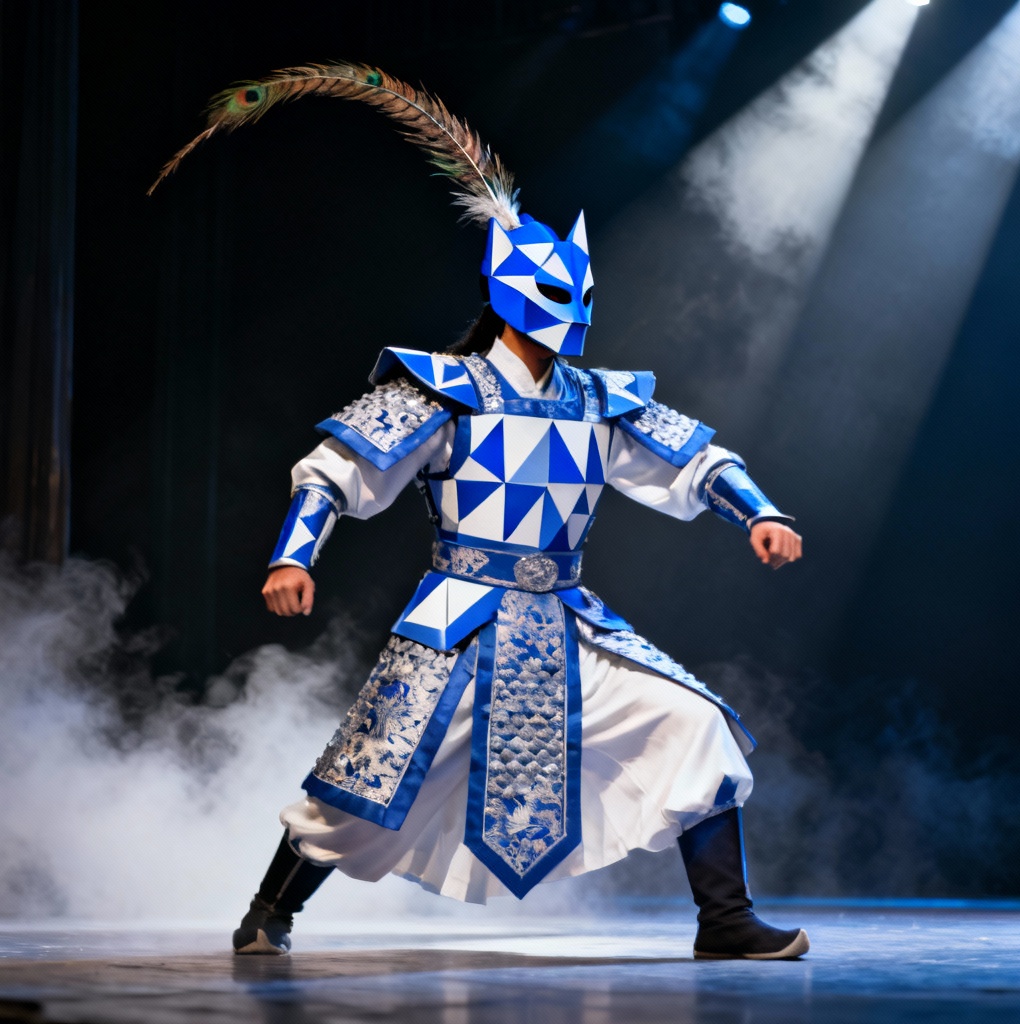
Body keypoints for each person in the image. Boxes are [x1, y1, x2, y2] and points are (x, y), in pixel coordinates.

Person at [149, 59, 807, 961]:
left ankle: (725, 922)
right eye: (549, 295)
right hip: (461, 616)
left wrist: (758, 514)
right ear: (505, 293)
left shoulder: (598, 398)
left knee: (692, 723)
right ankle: (271, 910)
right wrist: (292, 557)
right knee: (369, 777)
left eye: (578, 297)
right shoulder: (442, 389)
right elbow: (333, 468)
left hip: (570, 620)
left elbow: (695, 455)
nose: (567, 314)